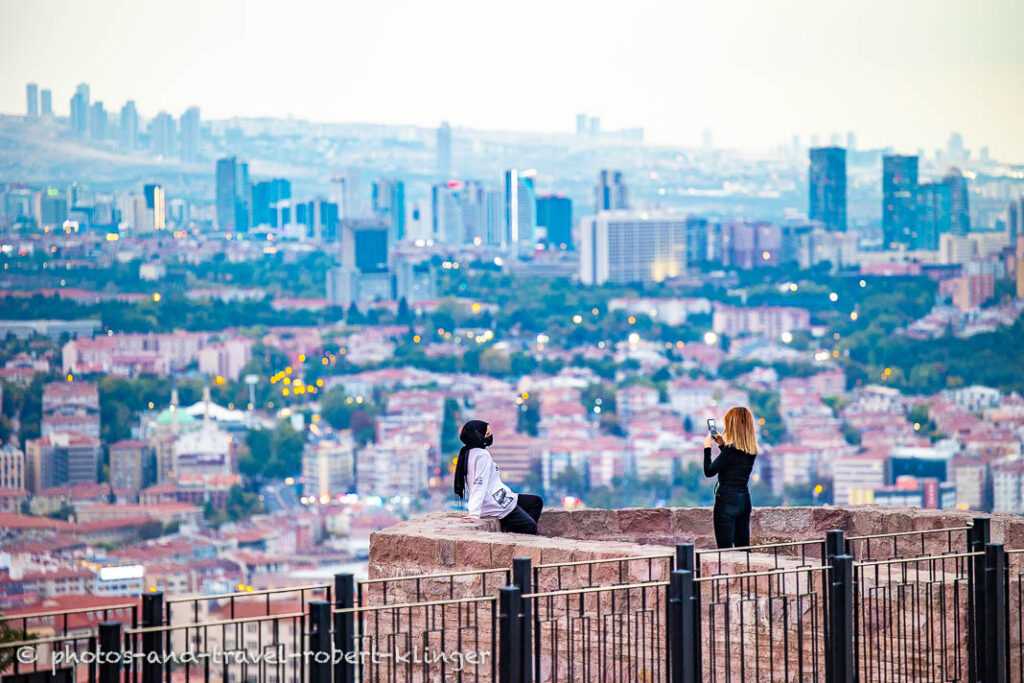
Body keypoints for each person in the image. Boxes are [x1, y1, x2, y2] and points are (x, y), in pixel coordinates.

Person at [453, 419, 544, 534]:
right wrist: (474, 513)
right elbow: (479, 484)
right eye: (487, 434)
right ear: (478, 436)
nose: (490, 436)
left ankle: (512, 529)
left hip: (501, 498)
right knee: (530, 527)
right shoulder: (482, 456)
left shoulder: (469, 453)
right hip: (497, 505)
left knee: (536, 502)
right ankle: (520, 542)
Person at [703, 406, 758, 549]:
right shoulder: (751, 450)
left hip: (726, 502)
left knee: (725, 551)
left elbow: (709, 471)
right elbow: (734, 464)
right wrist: (722, 445)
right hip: (744, 501)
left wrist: (707, 448)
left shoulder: (730, 451)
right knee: (743, 548)